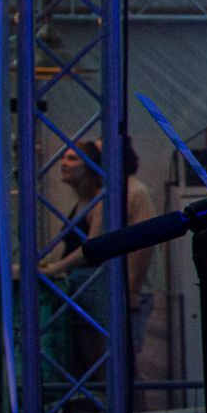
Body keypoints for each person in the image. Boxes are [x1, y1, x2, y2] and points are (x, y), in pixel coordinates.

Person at [42, 137, 157, 379]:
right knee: (104, 365)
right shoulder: (108, 193)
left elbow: (142, 245)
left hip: (118, 290)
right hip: (103, 289)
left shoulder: (131, 191)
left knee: (116, 367)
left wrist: (132, 290)